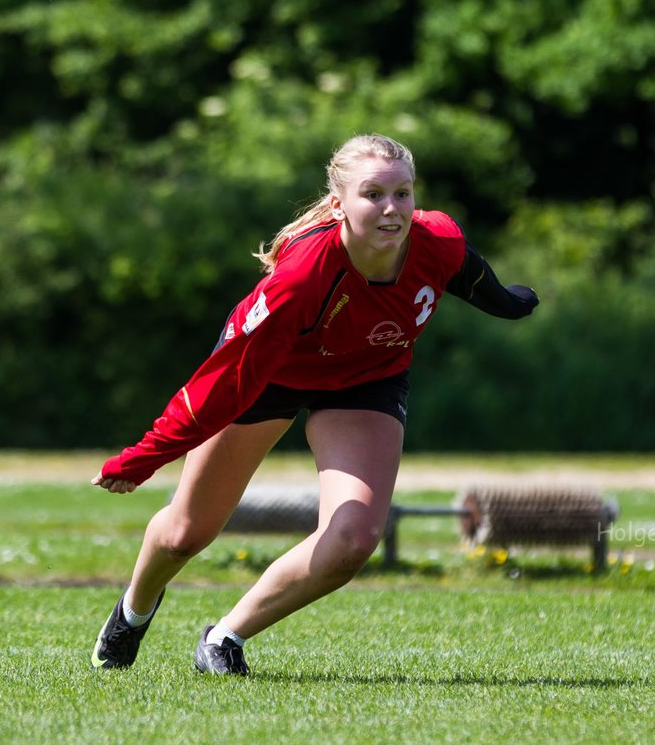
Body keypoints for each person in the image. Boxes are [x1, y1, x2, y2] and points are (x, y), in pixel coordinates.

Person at [90, 133, 538, 676]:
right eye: (373, 194)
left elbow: (467, 272)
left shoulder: (435, 239)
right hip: (268, 377)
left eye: (403, 193)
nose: (392, 209)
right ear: (338, 204)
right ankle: (133, 613)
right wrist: (145, 456)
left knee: (352, 540)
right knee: (188, 533)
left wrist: (509, 303)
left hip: (366, 378)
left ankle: (224, 639)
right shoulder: (301, 279)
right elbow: (221, 383)